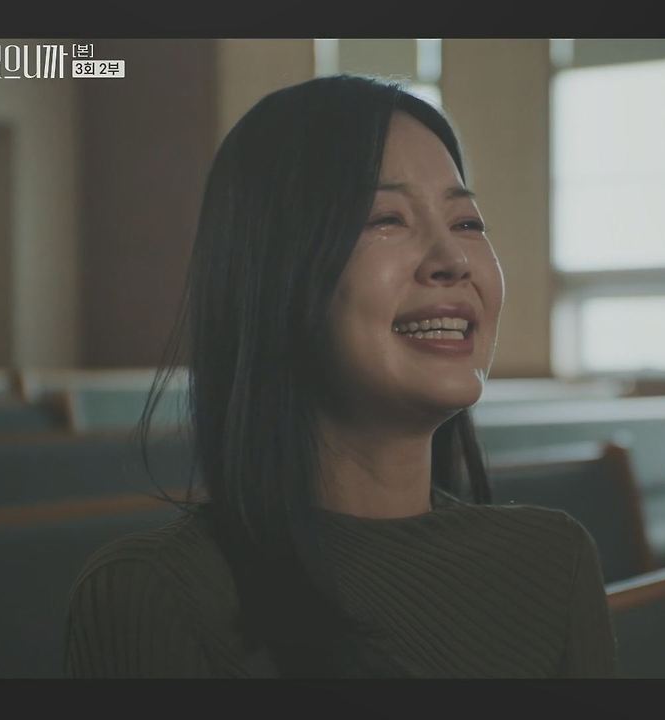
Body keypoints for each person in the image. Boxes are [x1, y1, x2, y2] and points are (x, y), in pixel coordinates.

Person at [62, 74, 618, 678]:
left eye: (466, 223)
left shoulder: (553, 560)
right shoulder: (154, 594)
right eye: (386, 218)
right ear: (274, 273)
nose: (453, 260)